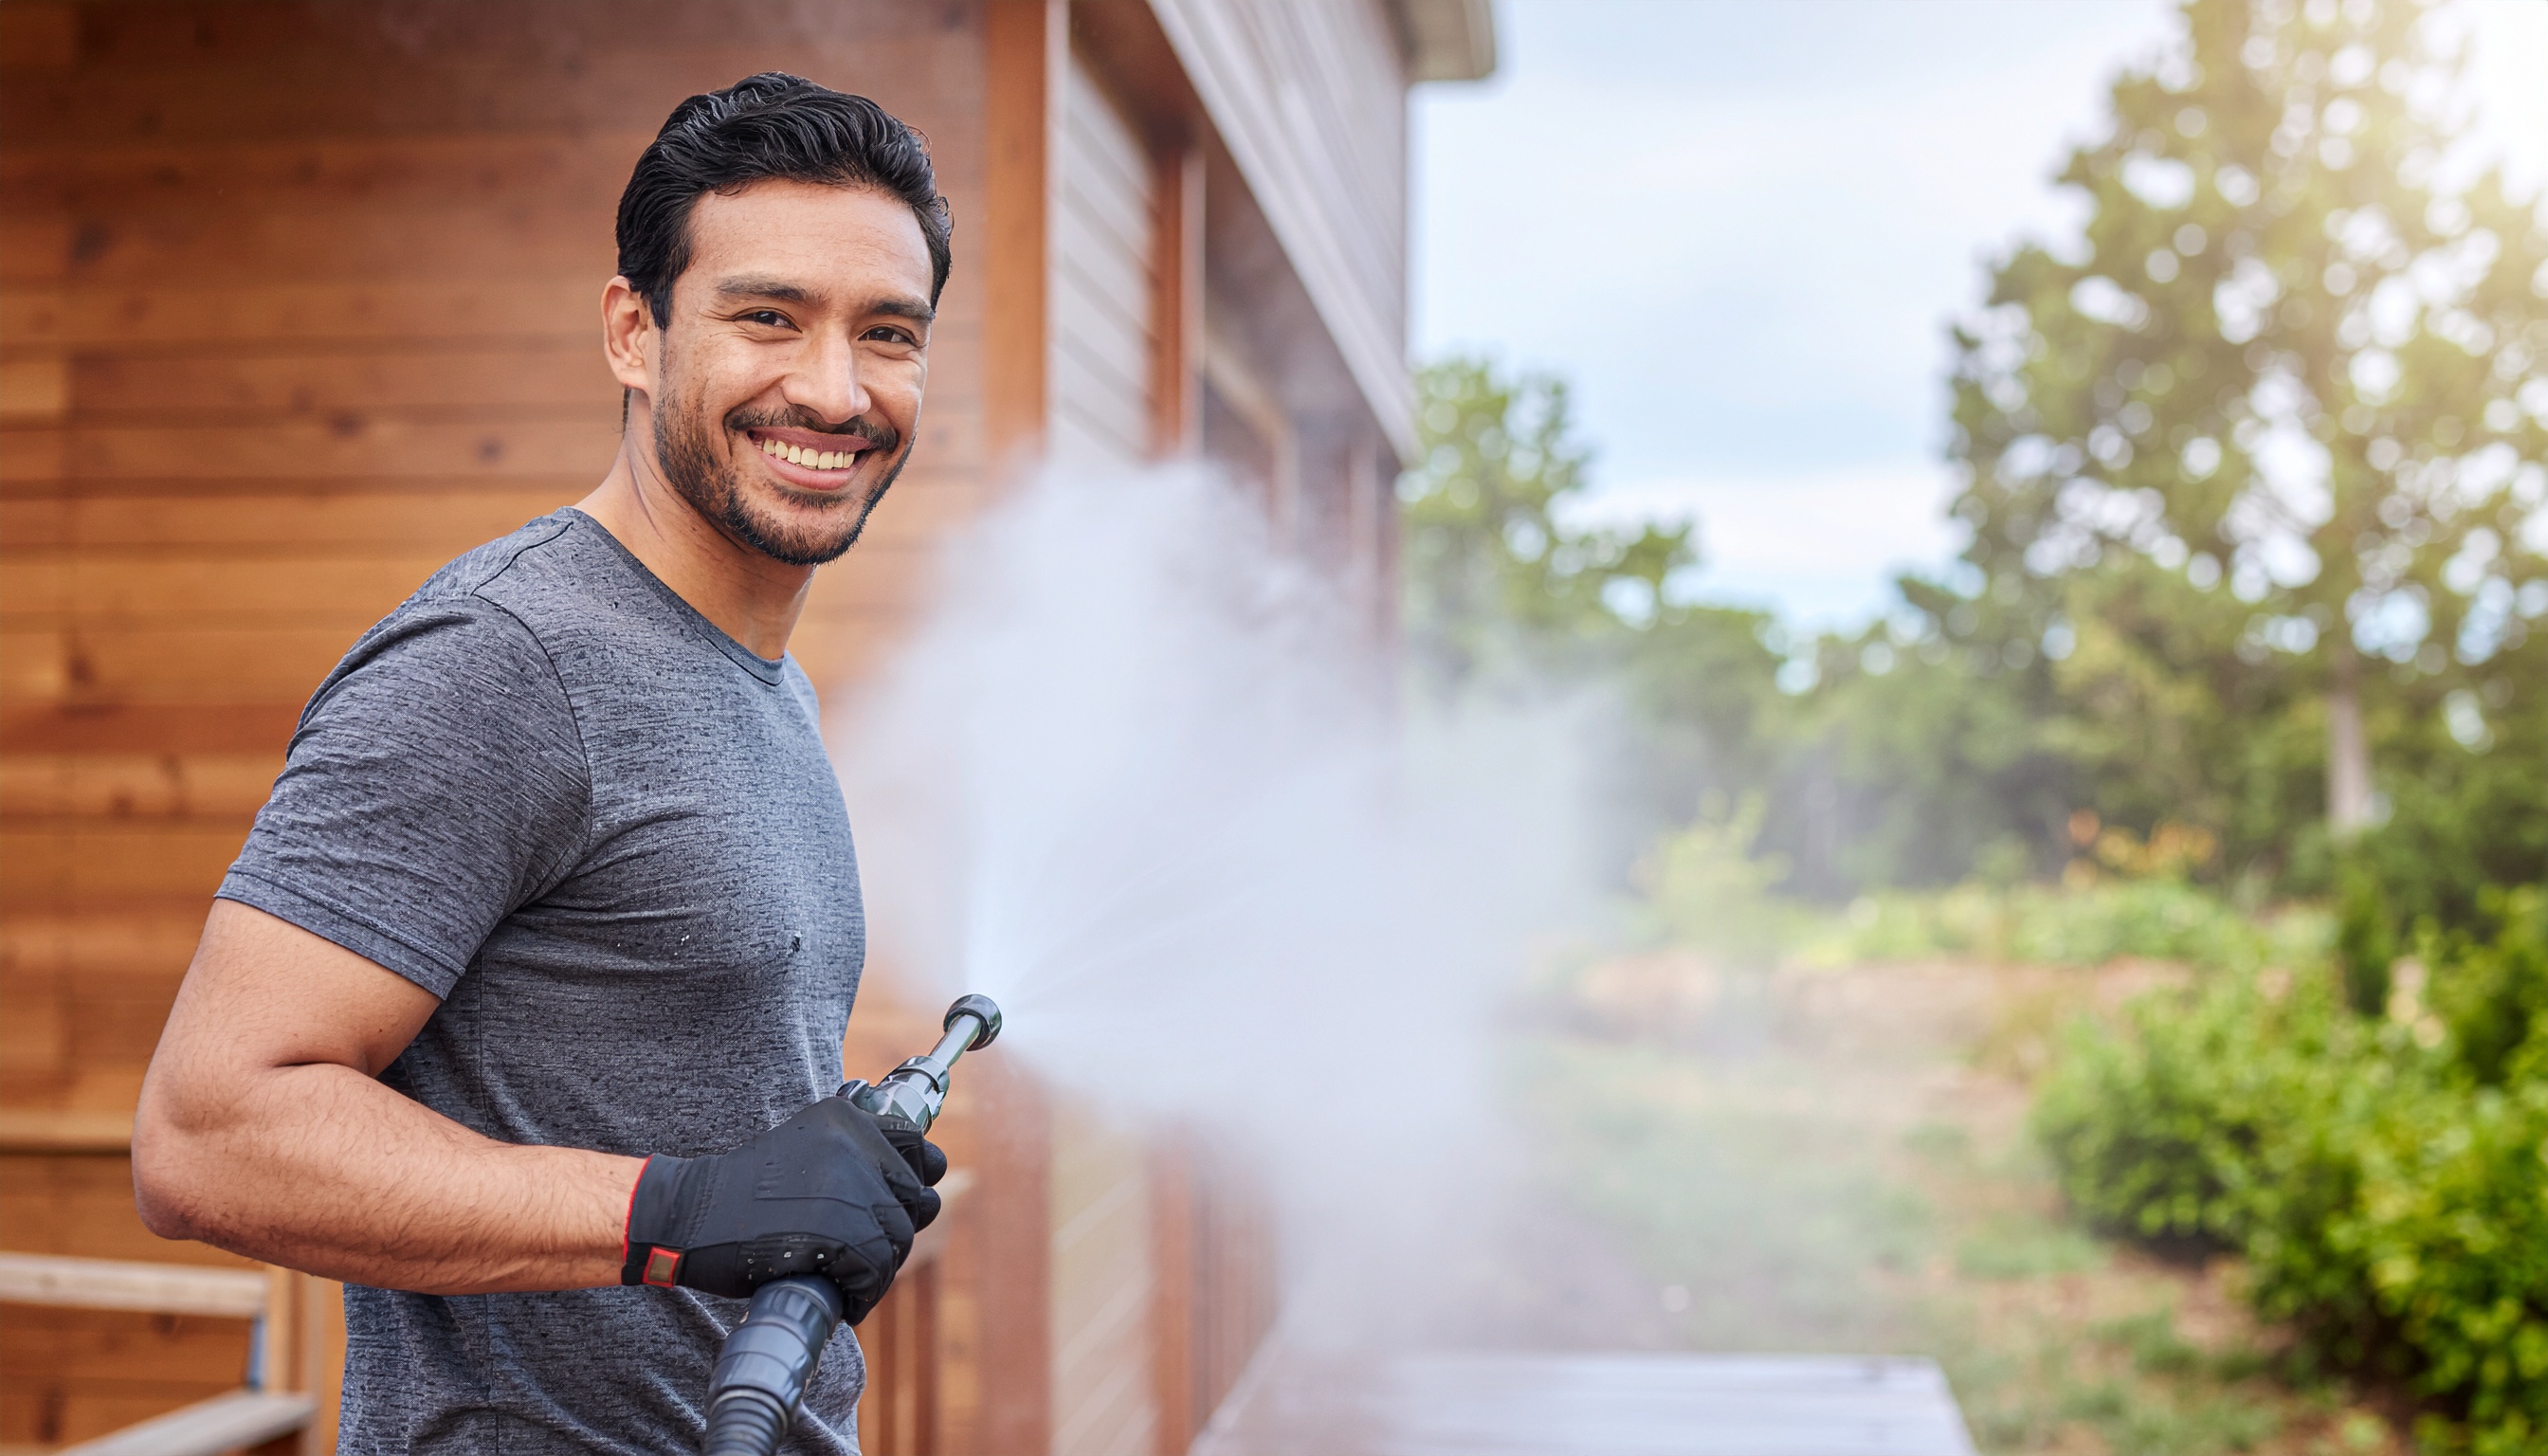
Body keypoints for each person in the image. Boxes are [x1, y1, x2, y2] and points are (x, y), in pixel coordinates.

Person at [130, 73, 949, 1454]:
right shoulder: (503, 661)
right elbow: (207, 1133)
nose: (833, 388)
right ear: (634, 332)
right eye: (766, 317)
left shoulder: (765, 685)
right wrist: (679, 1214)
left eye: (888, 334)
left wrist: (789, 1174)